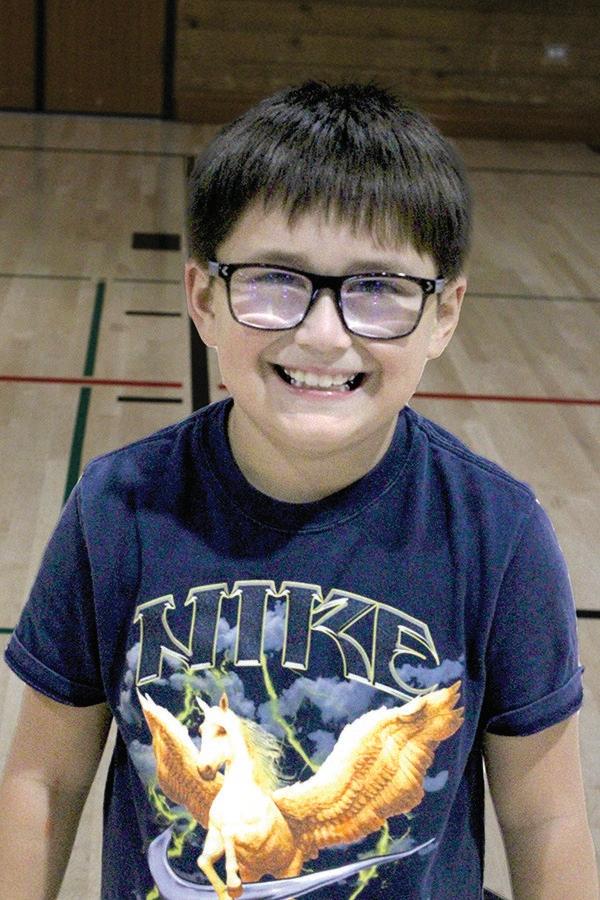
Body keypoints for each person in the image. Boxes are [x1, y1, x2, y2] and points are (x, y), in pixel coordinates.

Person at [0, 81, 597, 900]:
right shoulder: (117, 509)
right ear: (203, 298)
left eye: (378, 288)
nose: (322, 333)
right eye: (275, 279)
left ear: (445, 314)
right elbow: (44, 777)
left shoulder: (500, 533)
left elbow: (546, 819)